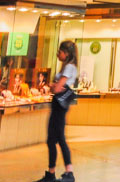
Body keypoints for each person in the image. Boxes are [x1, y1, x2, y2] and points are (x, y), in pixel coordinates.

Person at [34, 40, 78, 182]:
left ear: (66, 53)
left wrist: (53, 86)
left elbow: (57, 88)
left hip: (59, 106)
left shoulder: (69, 67)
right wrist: (55, 86)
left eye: (60, 52)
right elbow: (57, 86)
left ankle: (69, 172)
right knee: (51, 139)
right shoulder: (66, 67)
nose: (58, 54)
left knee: (59, 138)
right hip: (57, 105)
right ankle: (51, 173)